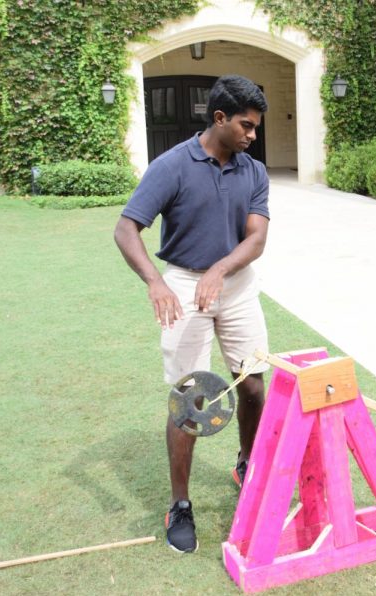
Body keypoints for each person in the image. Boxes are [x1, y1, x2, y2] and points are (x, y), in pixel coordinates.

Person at [114, 75, 271, 552]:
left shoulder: (253, 170)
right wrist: (156, 282)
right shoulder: (172, 166)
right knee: (191, 398)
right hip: (183, 283)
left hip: (236, 285)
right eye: (245, 125)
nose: (252, 135)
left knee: (254, 383)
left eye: (256, 127)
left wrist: (221, 270)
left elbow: (256, 238)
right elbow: (126, 228)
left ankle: (246, 462)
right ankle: (179, 504)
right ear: (219, 118)